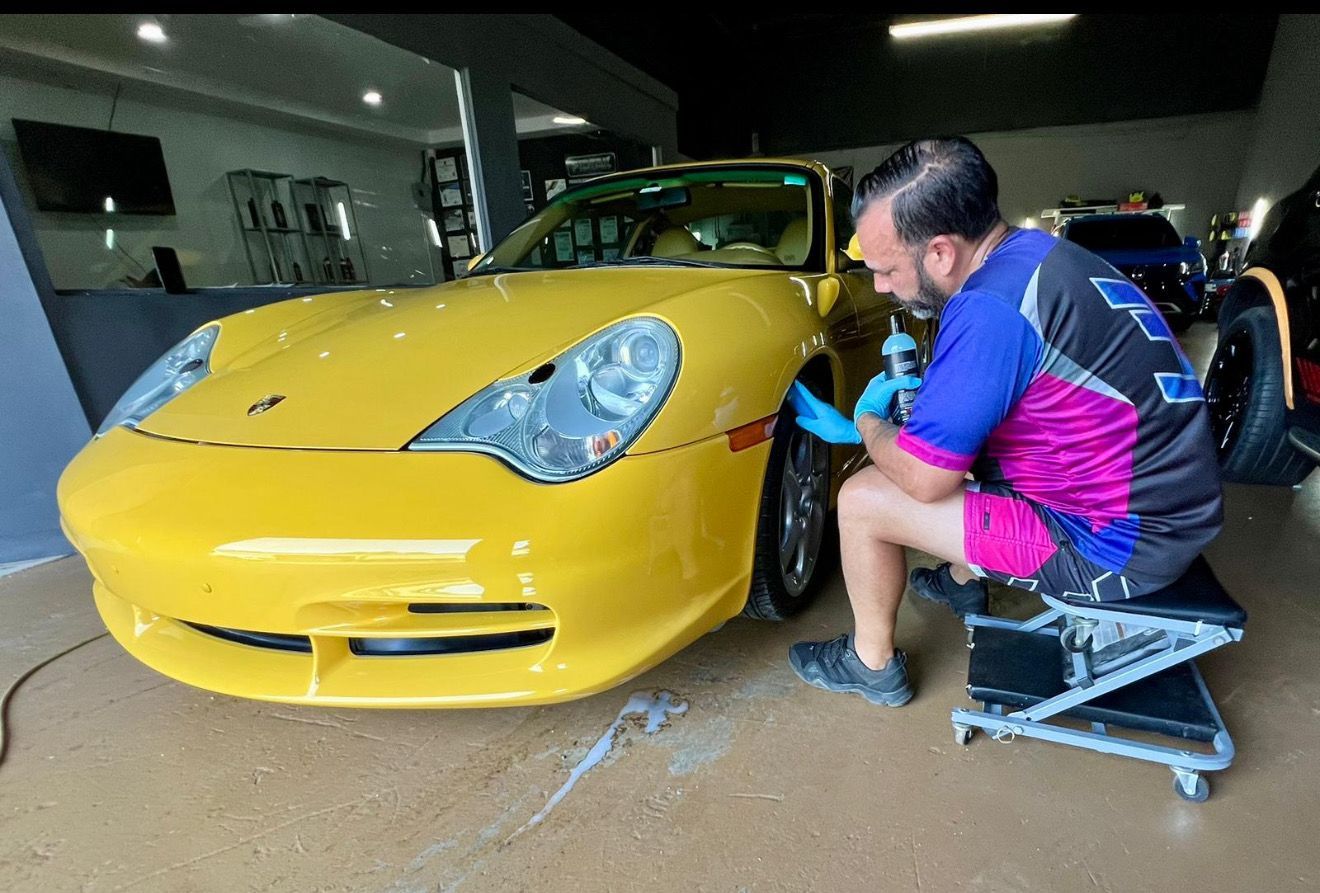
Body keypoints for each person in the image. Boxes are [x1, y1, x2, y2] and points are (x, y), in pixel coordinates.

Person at [785, 137, 1223, 706]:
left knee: (866, 498)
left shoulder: (988, 310)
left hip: (1115, 548)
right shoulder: (1041, 256)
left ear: (940, 252)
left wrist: (866, 424)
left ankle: (872, 664)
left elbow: (923, 479)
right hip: (1168, 510)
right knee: (969, 449)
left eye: (887, 269)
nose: (881, 287)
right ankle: (966, 583)